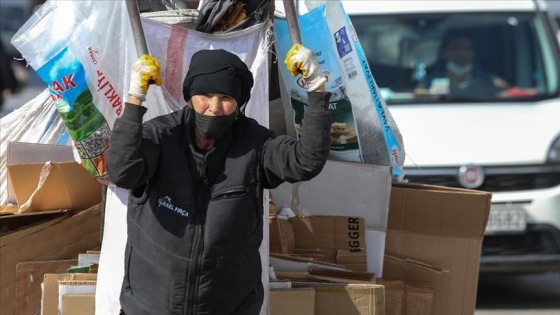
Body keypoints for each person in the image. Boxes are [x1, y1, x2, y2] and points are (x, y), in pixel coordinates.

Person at [106, 44, 331, 315]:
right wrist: (134, 99)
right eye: (205, 95)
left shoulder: (256, 144)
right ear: (190, 95)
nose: (213, 107)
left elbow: (305, 162)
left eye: (225, 97)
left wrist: (316, 89)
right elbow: (121, 171)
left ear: (238, 103)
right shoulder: (161, 136)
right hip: (149, 306)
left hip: (230, 306)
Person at [421, 30, 508, 92]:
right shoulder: (428, 83)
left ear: (474, 53)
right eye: (455, 48)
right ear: (445, 52)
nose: (461, 53)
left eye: (467, 48)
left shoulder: (490, 81)